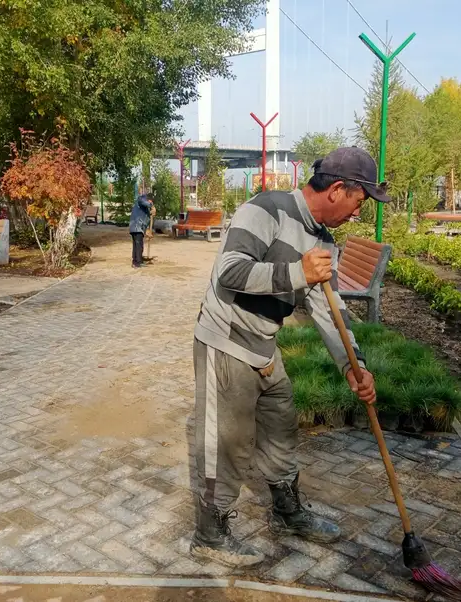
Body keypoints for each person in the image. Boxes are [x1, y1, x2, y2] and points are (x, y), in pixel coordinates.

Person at [191, 147, 389, 567]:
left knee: (281, 427)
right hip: (226, 340)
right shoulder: (266, 209)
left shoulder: (323, 240)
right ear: (338, 190)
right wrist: (298, 272)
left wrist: (353, 364)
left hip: (264, 344)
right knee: (226, 443)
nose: (359, 212)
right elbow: (229, 271)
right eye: (360, 201)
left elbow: (327, 309)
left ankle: (287, 512)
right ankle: (209, 535)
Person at [129, 192, 156, 268]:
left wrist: (151, 213)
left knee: (136, 245)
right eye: (151, 201)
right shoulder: (141, 199)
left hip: (136, 227)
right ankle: (138, 262)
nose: (151, 202)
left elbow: (145, 217)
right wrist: (152, 206)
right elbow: (143, 202)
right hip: (137, 226)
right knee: (139, 245)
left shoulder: (143, 207)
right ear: (149, 199)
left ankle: (136, 260)